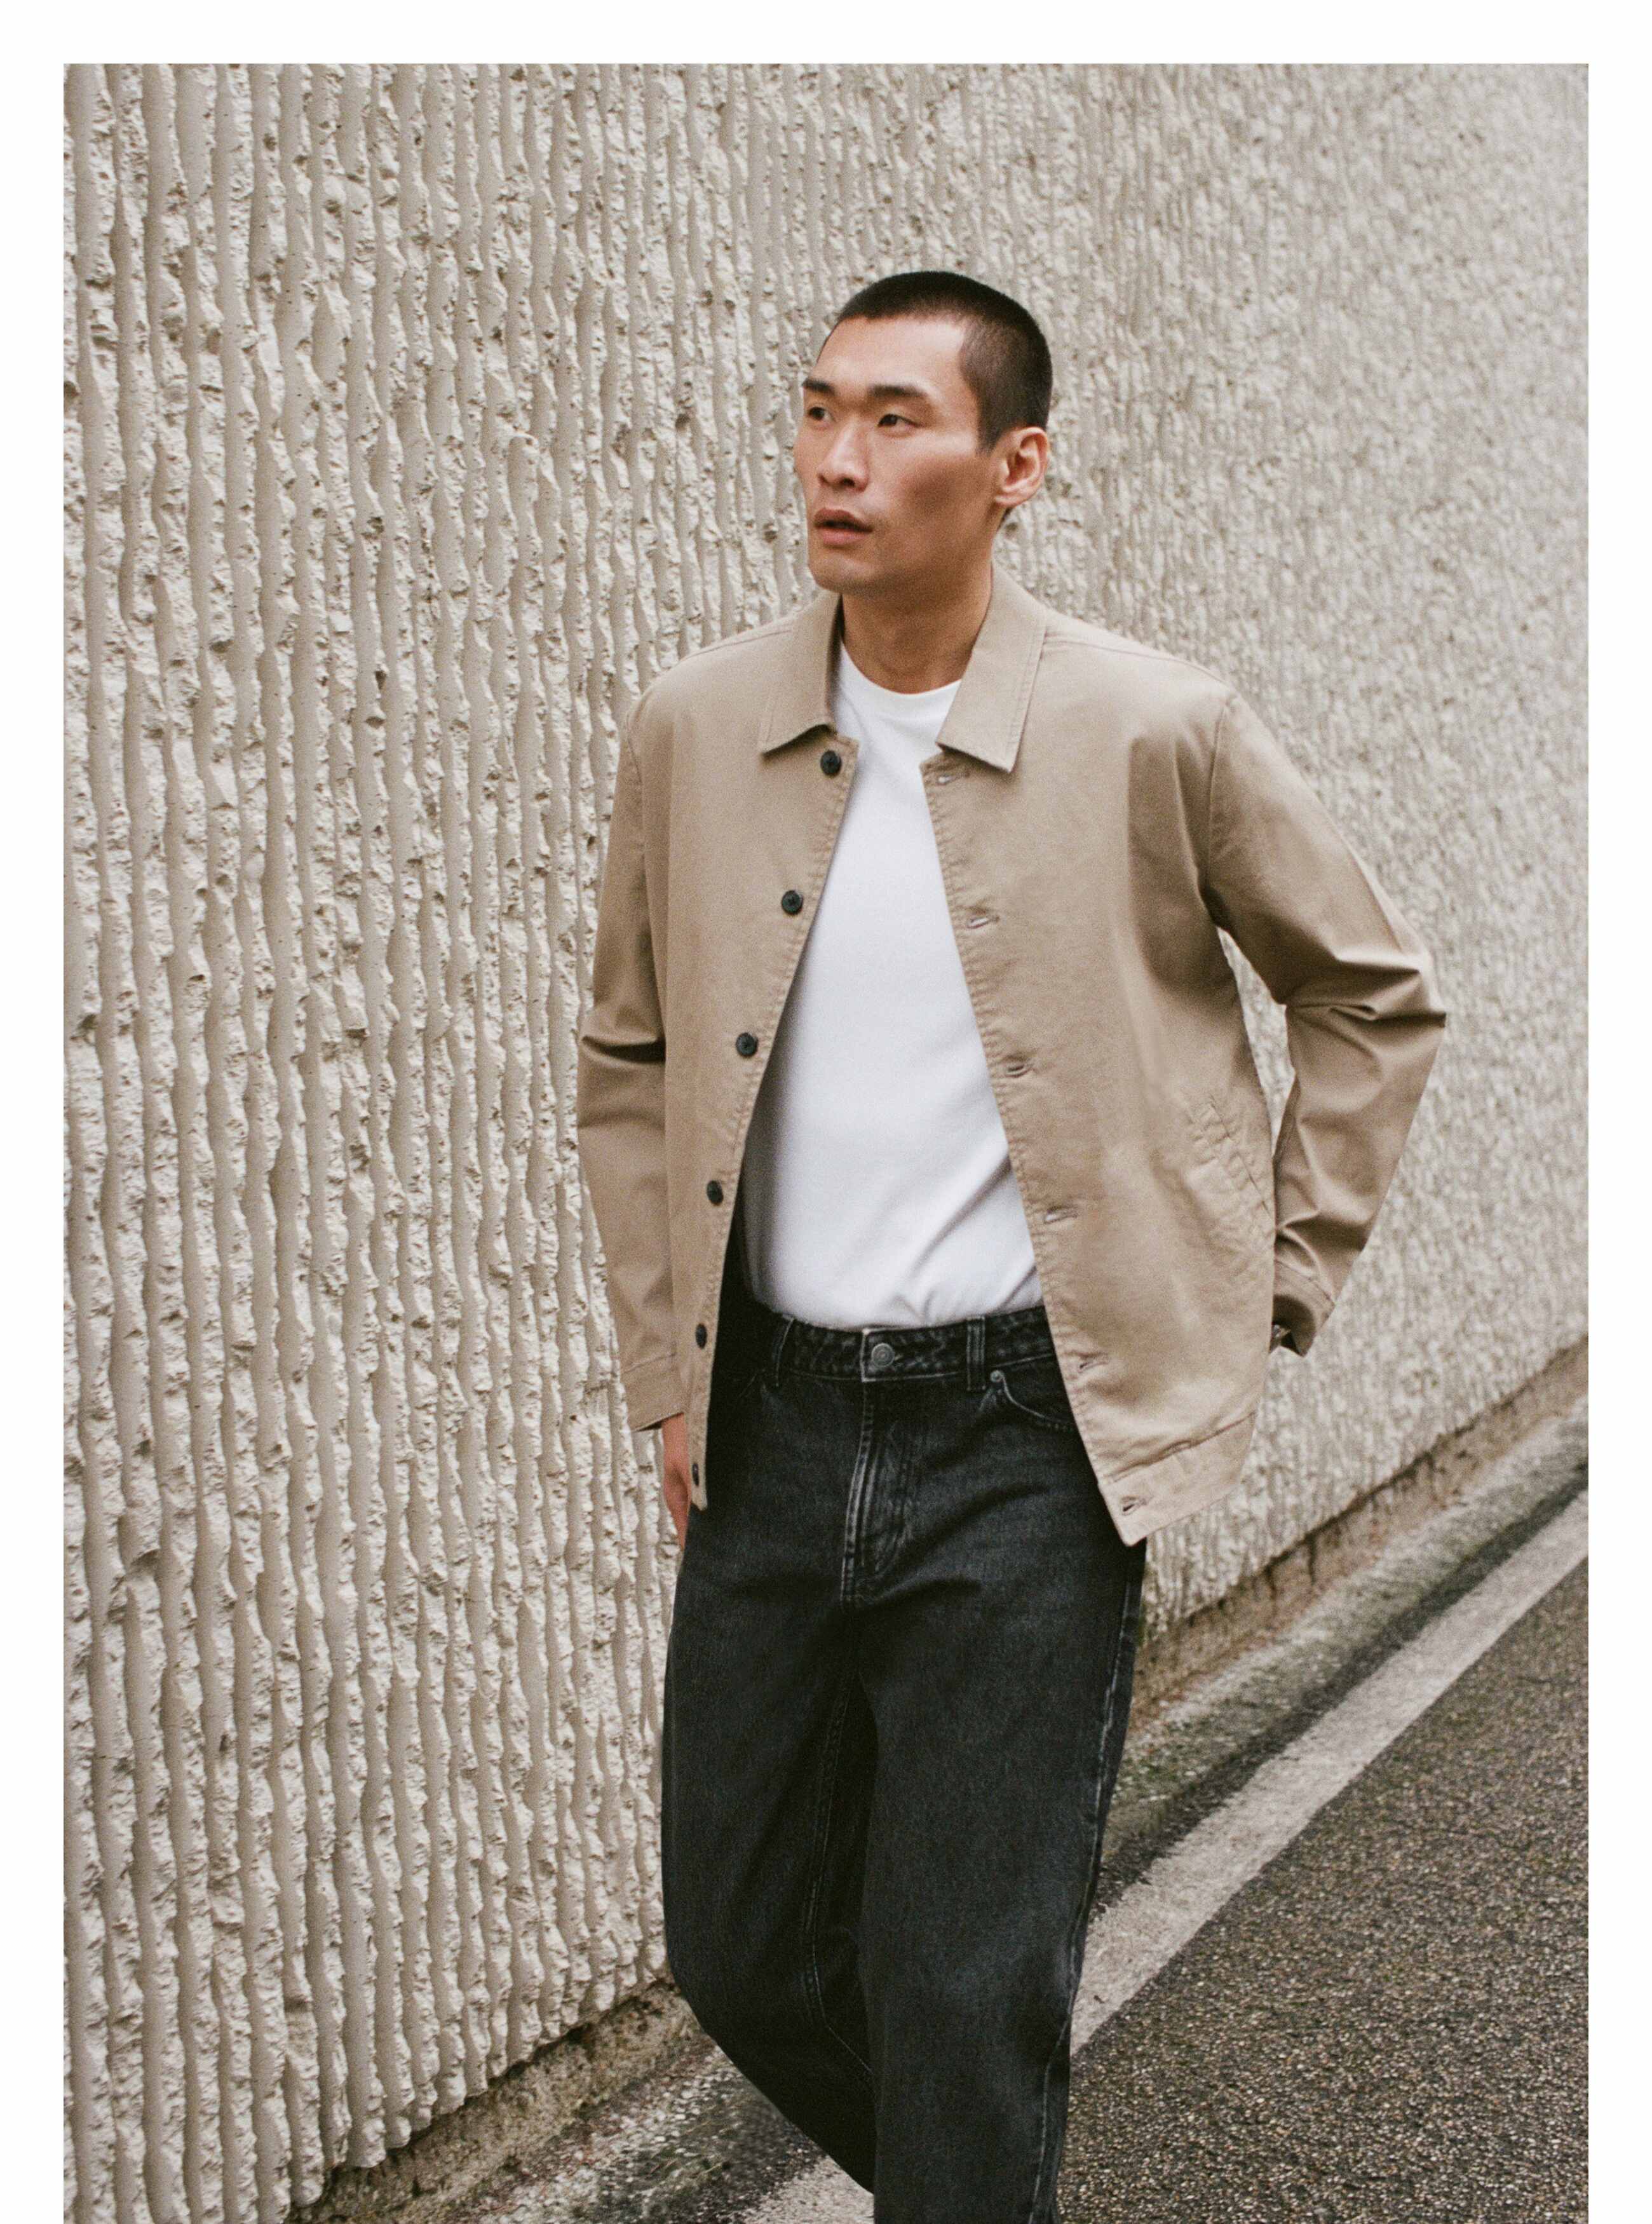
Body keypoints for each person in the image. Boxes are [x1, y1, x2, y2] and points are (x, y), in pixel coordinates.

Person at [574, 269, 1446, 2221]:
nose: (836, 459)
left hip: (1027, 1435)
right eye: (819, 410)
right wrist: (668, 1362)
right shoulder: (698, 728)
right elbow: (629, 1054)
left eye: (895, 419)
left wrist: (1272, 1278)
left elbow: (1373, 995)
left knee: (964, 1992)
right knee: (737, 1942)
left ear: (1017, 465)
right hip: (774, 1427)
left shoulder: (1152, 727)